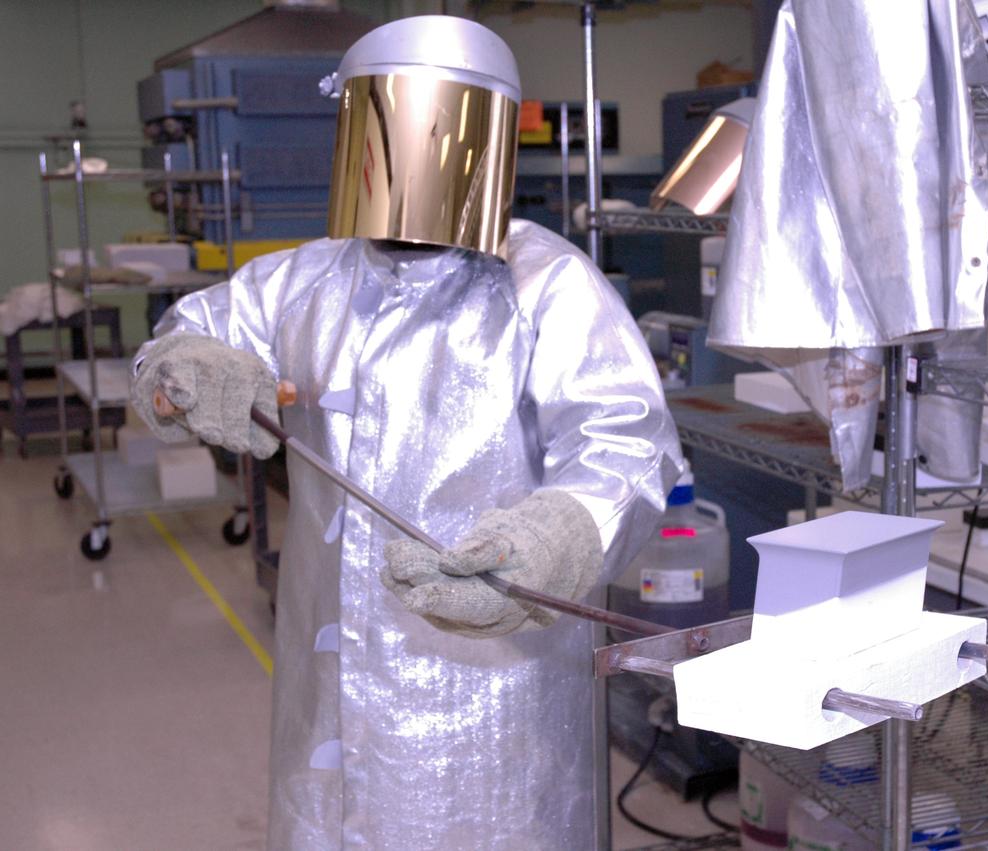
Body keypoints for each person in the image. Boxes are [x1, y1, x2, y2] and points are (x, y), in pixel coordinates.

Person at [130, 16, 682, 849]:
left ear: (487, 138)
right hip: (329, 703)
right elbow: (181, 343)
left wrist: (559, 536)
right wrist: (183, 372)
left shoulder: (546, 285)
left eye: (445, 127)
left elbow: (630, 443)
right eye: (394, 125)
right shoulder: (300, 281)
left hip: (501, 716)